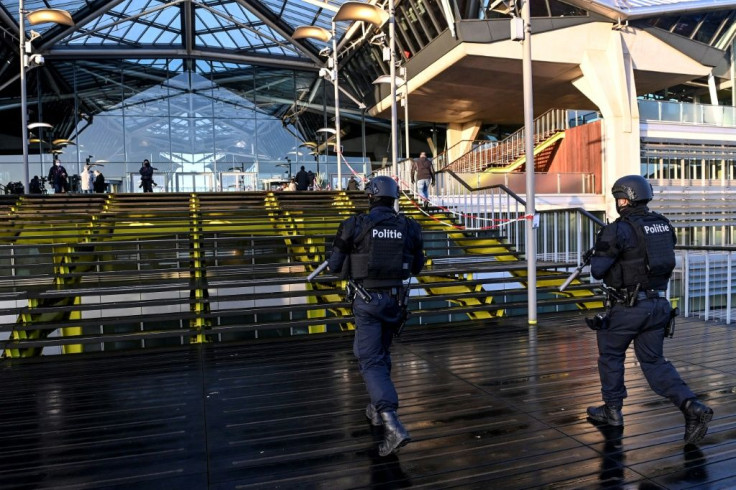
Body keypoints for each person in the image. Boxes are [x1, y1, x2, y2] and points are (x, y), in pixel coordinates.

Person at [586, 175, 713, 444]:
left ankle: (612, 410)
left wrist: (598, 253)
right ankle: (691, 406)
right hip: (658, 305)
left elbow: (598, 271)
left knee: (610, 355)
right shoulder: (662, 225)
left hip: (627, 308)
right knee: (654, 363)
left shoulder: (618, 229)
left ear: (623, 199)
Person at [327, 176, 425, 457]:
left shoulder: (354, 224)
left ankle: (391, 423)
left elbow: (334, 266)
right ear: (394, 198)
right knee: (377, 353)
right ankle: (374, 407)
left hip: (367, 302)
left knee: (369, 360)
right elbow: (417, 266)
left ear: (370, 197)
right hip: (395, 303)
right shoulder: (409, 226)